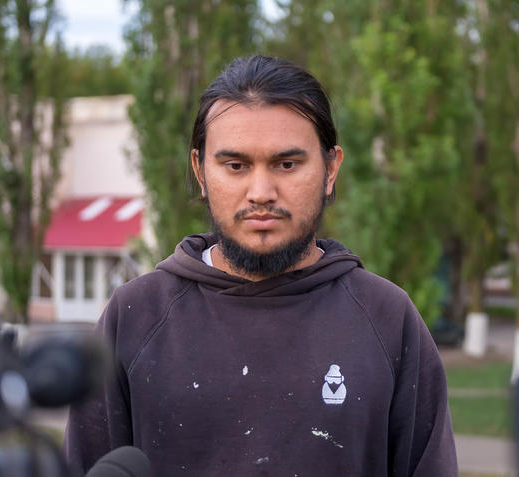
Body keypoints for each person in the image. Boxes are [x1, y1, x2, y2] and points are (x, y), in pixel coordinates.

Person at [63, 55, 458, 476]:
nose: (261, 192)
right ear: (200, 171)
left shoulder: (387, 319)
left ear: (330, 170)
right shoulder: (134, 317)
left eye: (287, 164)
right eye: (236, 166)